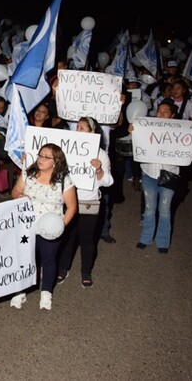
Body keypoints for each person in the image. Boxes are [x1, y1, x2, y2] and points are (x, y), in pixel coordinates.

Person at [10, 143, 77, 310]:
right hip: (26, 227)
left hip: (50, 231)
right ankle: (20, 291)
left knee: (48, 261)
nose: (41, 159)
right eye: (40, 155)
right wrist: (19, 196)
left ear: (56, 161)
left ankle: (46, 292)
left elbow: (72, 207)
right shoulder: (29, 174)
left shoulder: (64, 181)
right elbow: (15, 192)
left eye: (47, 157)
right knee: (25, 259)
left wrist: (60, 227)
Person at [130, 100, 192, 253]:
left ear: (173, 116)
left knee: (164, 209)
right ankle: (145, 238)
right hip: (149, 173)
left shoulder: (181, 132)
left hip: (169, 175)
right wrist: (133, 132)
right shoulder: (146, 128)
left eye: (165, 111)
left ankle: (163, 242)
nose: (161, 114)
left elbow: (191, 153)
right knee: (149, 209)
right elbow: (135, 146)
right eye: (159, 110)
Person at [57, 117, 113, 288]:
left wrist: (99, 169)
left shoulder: (101, 154)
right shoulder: (66, 150)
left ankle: (86, 271)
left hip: (89, 203)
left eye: (83, 127)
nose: (78, 130)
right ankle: (62, 268)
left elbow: (109, 181)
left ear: (93, 132)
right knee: (67, 237)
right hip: (68, 201)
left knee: (87, 239)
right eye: (77, 127)